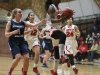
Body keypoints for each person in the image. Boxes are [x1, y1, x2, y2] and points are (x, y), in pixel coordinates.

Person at [5, 8, 46, 75]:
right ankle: (9, 72)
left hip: (22, 41)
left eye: (21, 12)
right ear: (15, 14)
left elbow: (33, 25)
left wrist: (41, 22)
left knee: (27, 58)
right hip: (13, 42)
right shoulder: (10, 22)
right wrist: (13, 32)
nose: (21, 13)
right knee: (18, 57)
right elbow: (6, 34)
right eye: (19, 12)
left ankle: (25, 73)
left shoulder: (23, 22)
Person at [45, 0, 72, 75]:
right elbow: (53, 21)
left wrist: (66, 17)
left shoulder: (59, 8)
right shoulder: (51, 7)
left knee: (56, 50)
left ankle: (55, 71)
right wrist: (63, 19)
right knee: (63, 35)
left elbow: (60, 21)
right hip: (51, 27)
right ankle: (62, 56)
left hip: (57, 28)